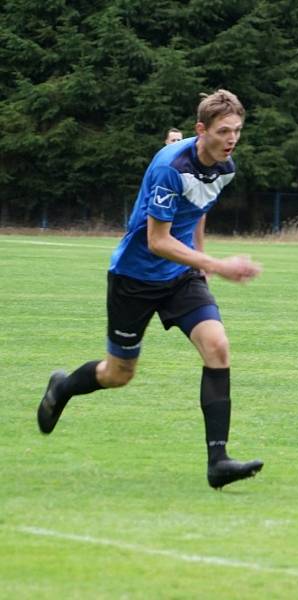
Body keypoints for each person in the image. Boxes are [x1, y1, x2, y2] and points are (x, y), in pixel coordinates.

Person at [37, 89, 265, 489]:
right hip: (135, 278)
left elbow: (196, 211)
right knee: (119, 373)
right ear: (200, 130)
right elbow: (157, 240)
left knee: (218, 347)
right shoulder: (170, 166)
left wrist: (202, 259)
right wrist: (216, 264)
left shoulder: (225, 167)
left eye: (238, 131)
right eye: (224, 131)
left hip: (181, 276)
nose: (232, 139)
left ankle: (218, 461)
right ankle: (64, 386)